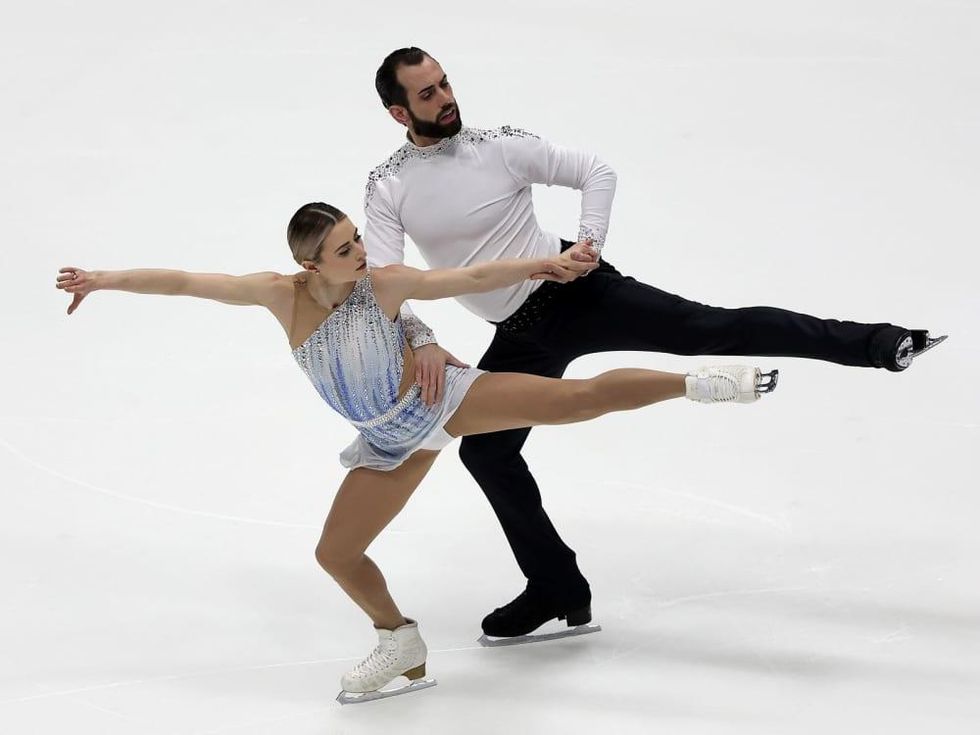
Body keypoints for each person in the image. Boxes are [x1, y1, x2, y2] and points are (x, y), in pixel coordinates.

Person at [56, 203, 776, 700]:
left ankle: (702, 381)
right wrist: (103, 279)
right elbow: (186, 283)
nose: (361, 253)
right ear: (309, 263)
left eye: (357, 238)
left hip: (445, 401)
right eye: (344, 249)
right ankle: (398, 639)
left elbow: (456, 280)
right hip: (387, 443)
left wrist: (543, 266)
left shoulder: (383, 284)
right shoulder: (280, 295)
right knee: (336, 553)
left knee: (572, 401)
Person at [364, 47, 946, 641]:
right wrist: (421, 337)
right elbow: (386, 281)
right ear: (398, 112)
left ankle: (878, 344)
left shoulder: (498, 147)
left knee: (713, 330)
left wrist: (587, 245)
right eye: (428, 94)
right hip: (517, 335)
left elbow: (596, 171)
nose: (446, 98)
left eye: (445, 83)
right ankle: (558, 586)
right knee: (487, 452)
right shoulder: (390, 186)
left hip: (580, 294)